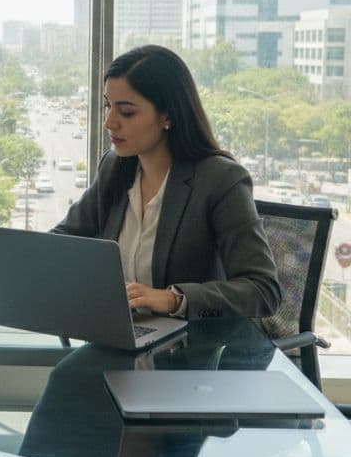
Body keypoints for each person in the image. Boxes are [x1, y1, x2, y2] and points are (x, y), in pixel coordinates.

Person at [52, 45, 280, 319]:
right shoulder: (115, 167)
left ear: (168, 115)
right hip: (122, 333)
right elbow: (63, 240)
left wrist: (173, 299)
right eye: (108, 106)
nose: (110, 123)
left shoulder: (221, 180)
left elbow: (263, 290)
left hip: (193, 349)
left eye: (126, 112)